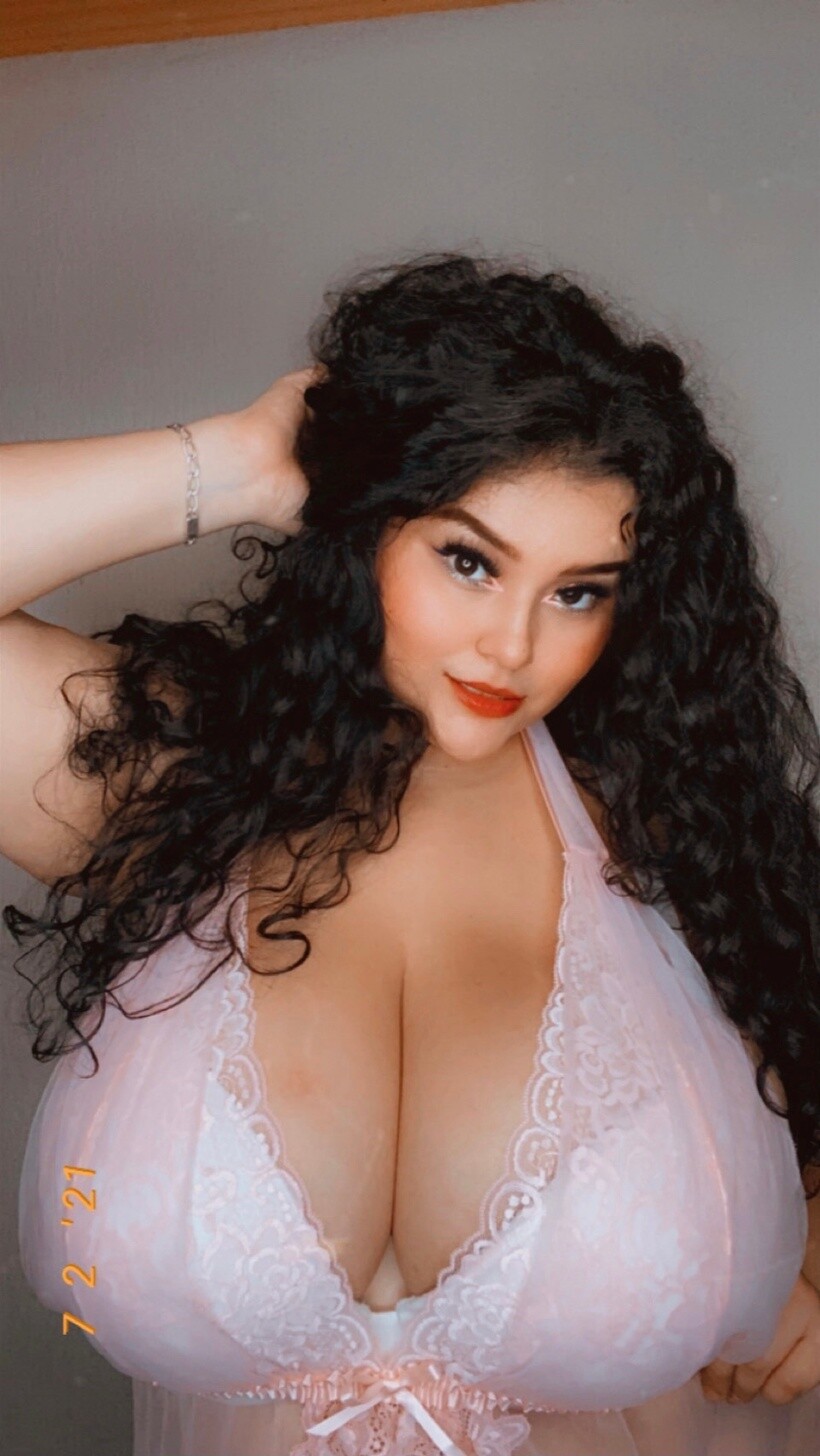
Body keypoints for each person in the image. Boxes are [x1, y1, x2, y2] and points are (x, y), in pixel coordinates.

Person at [3, 251, 819, 1456]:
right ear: (361, 526)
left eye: (579, 592)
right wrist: (239, 462)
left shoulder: (684, 843)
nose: (512, 646)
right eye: (469, 560)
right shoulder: (160, 788)